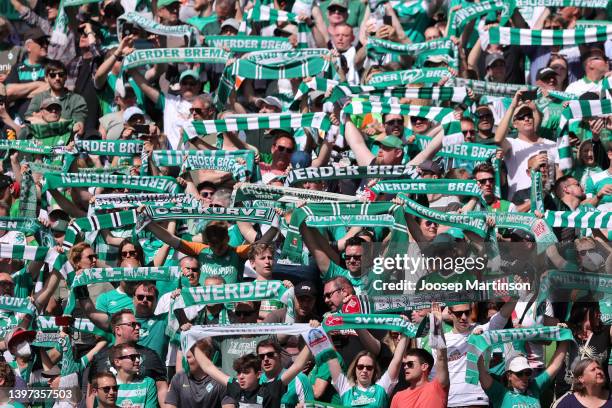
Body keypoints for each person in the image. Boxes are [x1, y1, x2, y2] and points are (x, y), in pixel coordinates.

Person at [192, 339, 313, 408]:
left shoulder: (271, 390)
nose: (240, 377)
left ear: (258, 374)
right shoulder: (236, 387)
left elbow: (297, 366)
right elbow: (208, 367)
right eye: (239, 373)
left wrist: (311, 336)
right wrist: (190, 343)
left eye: (245, 373)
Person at [478, 342, 570, 407]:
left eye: (527, 373)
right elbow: (482, 373)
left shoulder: (534, 386)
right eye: (519, 373)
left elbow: (554, 365)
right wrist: (477, 340)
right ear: (508, 375)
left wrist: (565, 337)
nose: (524, 377)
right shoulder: (500, 393)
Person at [110, 343, 158, 408]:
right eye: (132, 357)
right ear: (117, 362)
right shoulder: (107, 386)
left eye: (138, 356)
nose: (138, 360)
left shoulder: (148, 383)